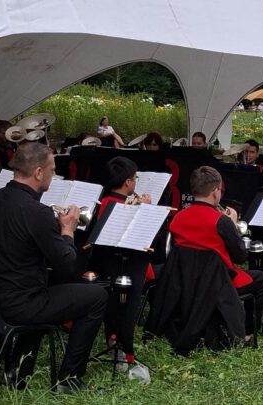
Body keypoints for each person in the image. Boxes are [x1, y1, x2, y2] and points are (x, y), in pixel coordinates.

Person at [0, 142, 107, 393]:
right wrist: (67, 231)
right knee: (97, 296)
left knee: (45, 294)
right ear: (38, 172)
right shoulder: (37, 212)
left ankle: (16, 370)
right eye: (52, 170)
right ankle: (69, 379)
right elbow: (67, 265)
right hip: (18, 306)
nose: (54, 175)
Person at [146, 166, 263, 351]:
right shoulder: (221, 221)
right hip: (217, 282)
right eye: (220, 190)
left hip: (183, 281)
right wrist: (233, 226)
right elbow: (240, 256)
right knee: (261, 278)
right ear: (214, 191)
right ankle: (247, 331)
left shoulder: (178, 217)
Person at [95, 156, 152, 377]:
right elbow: (142, 238)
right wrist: (144, 210)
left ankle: (112, 341)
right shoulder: (125, 207)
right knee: (127, 310)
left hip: (108, 265)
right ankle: (125, 351)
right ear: (128, 182)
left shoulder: (106, 203)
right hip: (128, 267)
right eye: (135, 179)